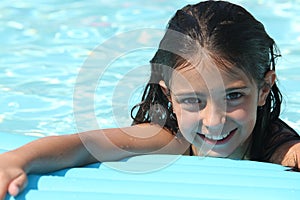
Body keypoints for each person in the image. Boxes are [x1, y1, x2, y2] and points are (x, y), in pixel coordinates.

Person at [1, 0, 300, 199]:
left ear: (263, 89)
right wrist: (17, 159)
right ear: (169, 94)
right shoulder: (166, 138)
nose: (214, 121)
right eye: (193, 101)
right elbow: (84, 145)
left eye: (233, 96)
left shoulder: (275, 145)